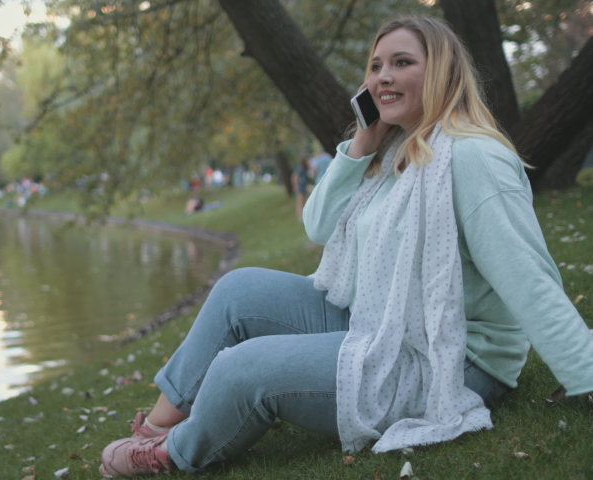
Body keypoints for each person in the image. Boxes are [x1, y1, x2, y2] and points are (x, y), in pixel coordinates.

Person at [98, 14, 593, 477]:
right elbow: (316, 226)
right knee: (238, 290)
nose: (383, 77)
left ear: (441, 73)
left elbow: (528, 279)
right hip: (383, 322)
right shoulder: (394, 151)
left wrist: (586, 375)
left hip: (450, 359)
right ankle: (157, 426)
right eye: (376, 66)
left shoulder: (472, 157)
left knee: (243, 367)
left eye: (402, 62)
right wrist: (361, 143)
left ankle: (171, 452)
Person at [291, 156, 311, 221]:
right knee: (300, 202)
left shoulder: (305, 168)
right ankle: (300, 217)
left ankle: (304, 215)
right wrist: (295, 186)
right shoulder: (300, 168)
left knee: (304, 202)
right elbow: (294, 177)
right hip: (300, 187)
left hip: (303, 186)